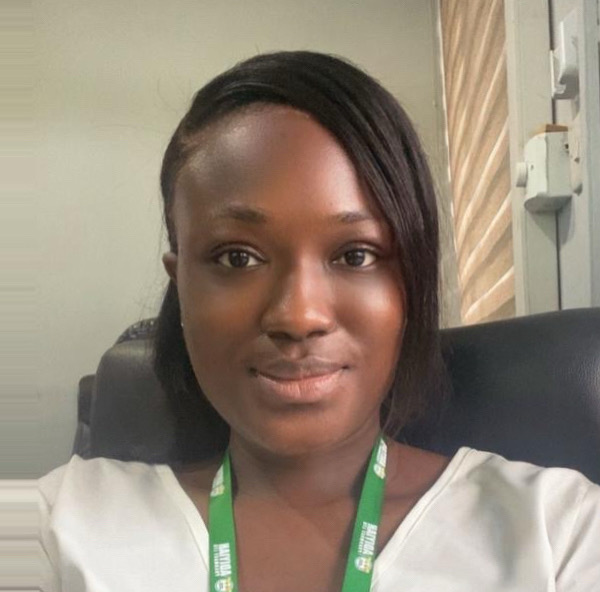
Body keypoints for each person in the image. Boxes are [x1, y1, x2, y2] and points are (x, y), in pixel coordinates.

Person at [39, 51, 600, 592]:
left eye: (355, 254)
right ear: (179, 282)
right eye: (237, 257)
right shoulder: (60, 525)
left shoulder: (560, 533)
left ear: (411, 282)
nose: (298, 316)